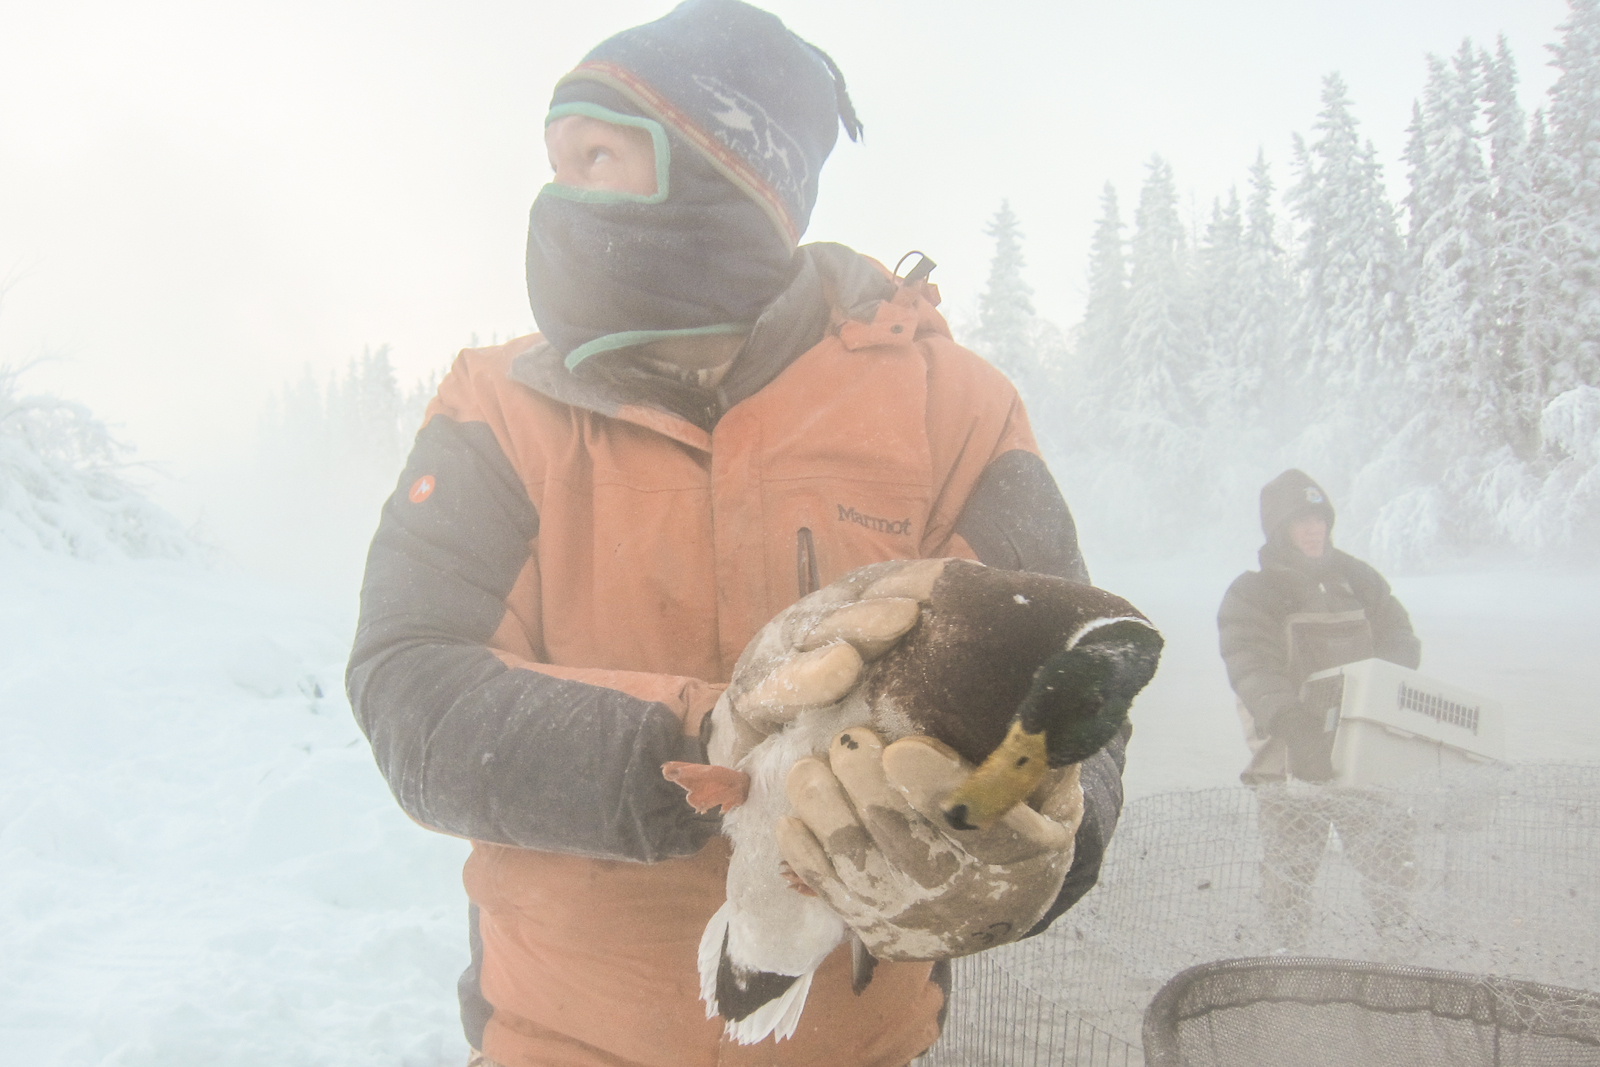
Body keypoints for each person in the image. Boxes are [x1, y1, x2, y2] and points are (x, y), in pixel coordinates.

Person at [345, 3, 1127, 1065]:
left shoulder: (953, 408)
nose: (557, 194)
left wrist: (1024, 848)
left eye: (597, 154)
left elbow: (1076, 695)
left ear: (724, 165)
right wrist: (715, 752)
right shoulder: (495, 409)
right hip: (561, 1036)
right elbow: (412, 690)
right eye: (554, 161)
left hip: (860, 1043)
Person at [1217, 469, 1422, 944]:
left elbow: (1400, 636)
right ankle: (1287, 957)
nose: (1313, 530)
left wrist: (1382, 688)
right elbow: (1251, 666)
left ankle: (1395, 948)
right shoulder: (1251, 592)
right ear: (1278, 529)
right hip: (1291, 749)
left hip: (1363, 746)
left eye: (1318, 518)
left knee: (1389, 860)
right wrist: (1295, 725)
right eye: (1299, 521)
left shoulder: (1358, 577)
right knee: (1289, 870)